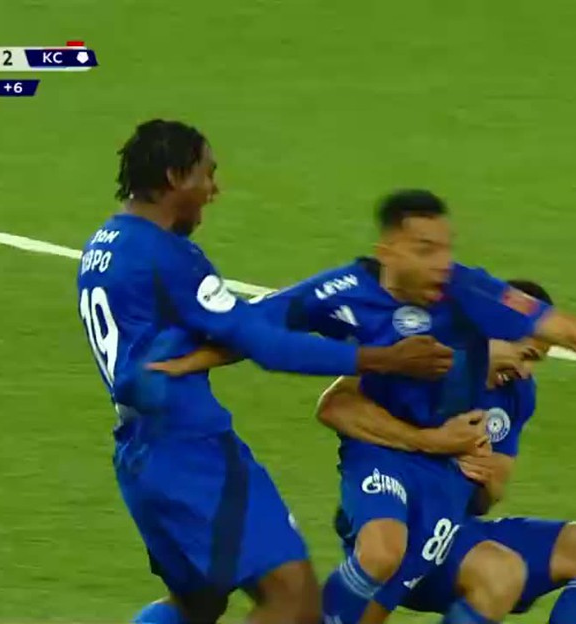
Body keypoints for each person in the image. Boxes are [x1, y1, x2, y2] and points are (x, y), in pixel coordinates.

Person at [151, 190, 576, 624]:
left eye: (446, 249)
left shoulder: (491, 340)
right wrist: (186, 363)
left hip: (444, 493)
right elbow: (261, 332)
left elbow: (571, 335)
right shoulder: (355, 300)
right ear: (390, 249)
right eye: (426, 249)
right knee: (382, 551)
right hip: (385, 463)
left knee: (555, 558)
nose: (443, 263)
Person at [78, 120, 455, 624]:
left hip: (140, 452)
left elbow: (209, 330)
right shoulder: (166, 255)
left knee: (198, 603)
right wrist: (382, 359)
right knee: (293, 601)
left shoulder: (103, 244)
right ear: (174, 177)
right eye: (207, 174)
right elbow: (266, 347)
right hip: (192, 452)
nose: (214, 190)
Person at [320, 280, 576, 624]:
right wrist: (429, 441)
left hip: (452, 526)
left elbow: (487, 498)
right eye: (526, 355)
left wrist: (485, 475)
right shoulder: (423, 349)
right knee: (413, 558)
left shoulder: (516, 394)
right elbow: (335, 406)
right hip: (399, 513)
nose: (525, 372)